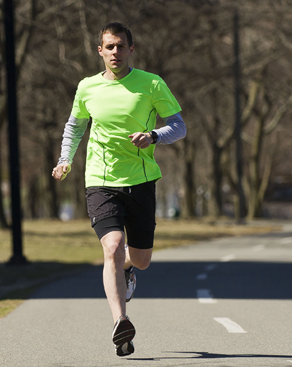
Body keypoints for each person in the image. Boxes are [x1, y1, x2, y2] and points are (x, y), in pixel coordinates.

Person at [52, 22, 186, 357]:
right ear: (100, 50)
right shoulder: (87, 88)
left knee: (140, 261)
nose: (115, 52)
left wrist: (153, 136)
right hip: (100, 180)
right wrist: (64, 159)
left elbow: (179, 126)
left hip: (140, 180)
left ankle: (128, 270)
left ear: (131, 49)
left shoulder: (151, 84)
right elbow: (75, 127)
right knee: (111, 246)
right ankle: (120, 322)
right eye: (109, 46)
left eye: (121, 46)